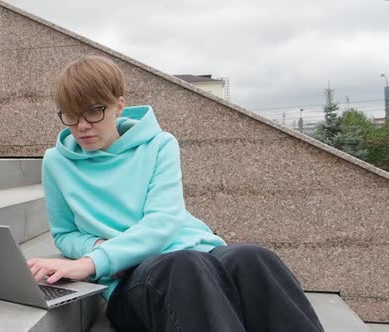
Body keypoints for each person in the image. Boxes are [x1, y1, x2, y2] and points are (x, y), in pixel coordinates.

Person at [27, 55, 323, 332]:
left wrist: (92, 261)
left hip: (196, 252)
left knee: (253, 258)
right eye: (71, 115)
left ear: (119, 106)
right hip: (137, 278)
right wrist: (102, 249)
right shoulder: (57, 162)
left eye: (94, 111)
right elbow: (65, 233)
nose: (82, 126)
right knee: (184, 266)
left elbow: (164, 222)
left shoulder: (159, 145)